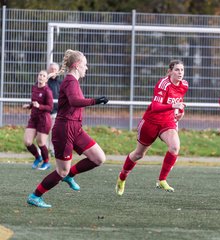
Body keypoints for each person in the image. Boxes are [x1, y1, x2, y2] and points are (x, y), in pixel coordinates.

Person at [27, 49, 109, 208]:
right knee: (61, 171)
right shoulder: (70, 81)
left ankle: (69, 175)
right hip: (64, 129)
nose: (87, 67)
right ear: (77, 65)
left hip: (76, 128)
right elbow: (75, 101)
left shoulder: (73, 81)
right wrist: (96, 101)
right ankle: (35, 196)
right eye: (85, 65)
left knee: (99, 158)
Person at [115, 59, 188, 196]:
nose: (180, 72)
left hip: (167, 122)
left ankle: (162, 180)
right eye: (177, 69)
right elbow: (155, 107)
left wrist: (181, 111)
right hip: (151, 122)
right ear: (169, 71)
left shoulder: (184, 85)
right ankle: (122, 177)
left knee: (175, 147)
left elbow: (179, 101)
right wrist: (174, 106)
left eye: (182, 70)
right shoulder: (163, 84)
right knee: (139, 154)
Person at [23, 70, 54, 170]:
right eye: (40, 75)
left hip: (44, 120)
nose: (41, 77)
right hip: (34, 118)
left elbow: (50, 107)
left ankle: (46, 162)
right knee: (27, 142)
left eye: (43, 75)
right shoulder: (34, 88)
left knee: (40, 142)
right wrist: (29, 106)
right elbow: (34, 102)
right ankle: (38, 157)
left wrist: (39, 106)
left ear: (46, 79)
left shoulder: (47, 91)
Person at [46, 62, 62, 157]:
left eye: (55, 70)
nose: (53, 71)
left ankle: (52, 149)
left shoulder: (61, 83)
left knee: (53, 131)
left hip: (55, 111)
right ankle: (43, 150)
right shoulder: (45, 82)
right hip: (45, 111)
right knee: (44, 131)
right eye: (51, 69)